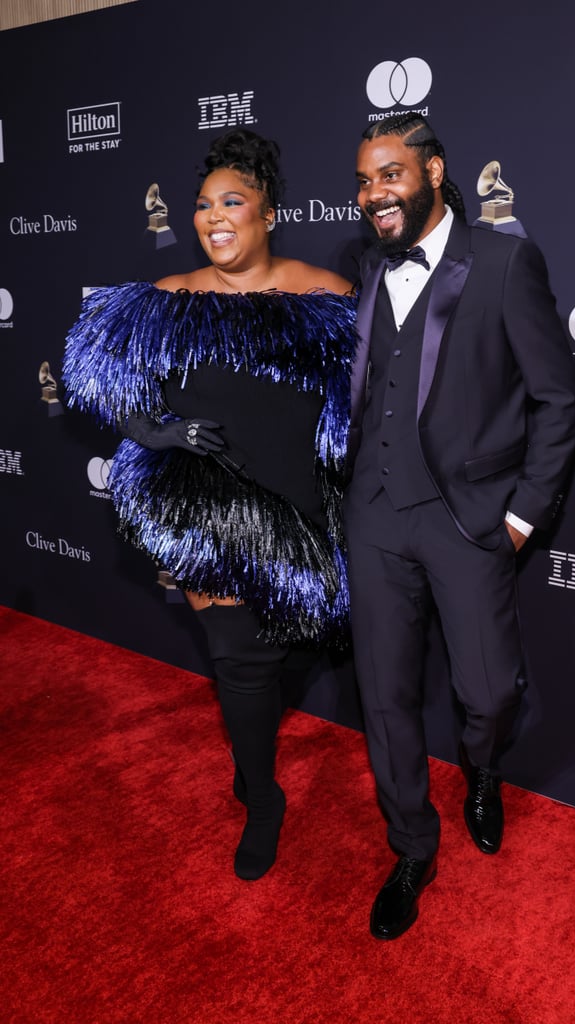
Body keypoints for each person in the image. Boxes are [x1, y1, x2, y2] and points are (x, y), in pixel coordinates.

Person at [63, 129, 356, 882]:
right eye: (202, 205)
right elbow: (96, 385)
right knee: (241, 664)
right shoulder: (162, 301)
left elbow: (370, 404)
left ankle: (251, 750)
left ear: (268, 214)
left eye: (233, 202)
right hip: (209, 517)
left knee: (292, 646)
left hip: (306, 513)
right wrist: (163, 432)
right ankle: (262, 796)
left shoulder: (326, 293)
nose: (214, 217)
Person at [344, 113, 575, 939]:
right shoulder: (369, 265)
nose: (374, 193)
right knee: (384, 695)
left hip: (468, 519)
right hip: (373, 514)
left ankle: (483, 771)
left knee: (488, 693)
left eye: (390, 174)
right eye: (364, 180)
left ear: (434, 171)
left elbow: (556, 401)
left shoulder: (506, 262)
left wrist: (520, 516)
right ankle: (411, 844)